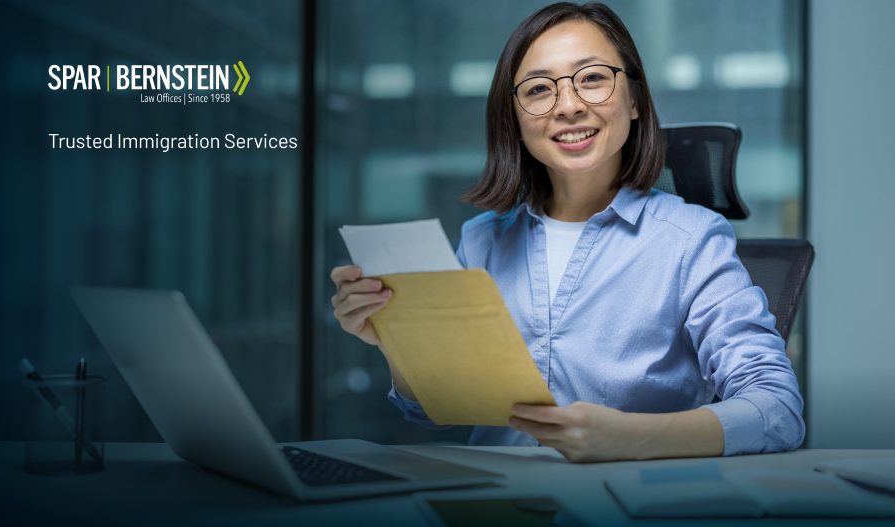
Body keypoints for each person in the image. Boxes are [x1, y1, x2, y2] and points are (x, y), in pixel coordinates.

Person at [330, 2, 804, 462]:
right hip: (494, 502)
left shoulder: (691, 239)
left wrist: (629, 438)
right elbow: (432, 411)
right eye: (538, 90)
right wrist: (394, 340)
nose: (569, 106)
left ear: (634, 100)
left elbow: (776, 409)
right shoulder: (482, 240)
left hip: (626, 501)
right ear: (514, 120)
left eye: (593, 78)